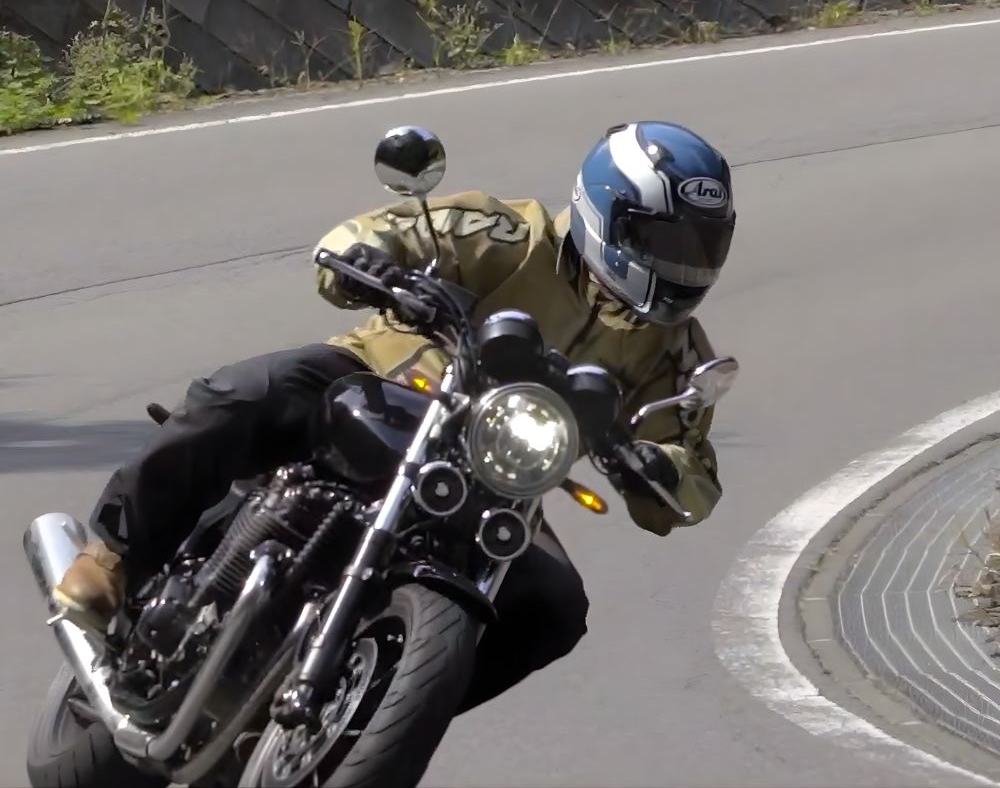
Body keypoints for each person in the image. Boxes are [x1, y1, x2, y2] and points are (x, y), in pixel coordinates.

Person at [52, 120, 736, 711]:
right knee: (244, 393)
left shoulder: (674, 354)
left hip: (499, 472)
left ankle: (369, 715)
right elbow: (375, 233)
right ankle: (113, 555)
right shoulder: (508, 234)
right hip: (380, 381)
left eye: (700, 248)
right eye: (667, 243)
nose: (682, 265)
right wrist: (371, 262)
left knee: (552, 609)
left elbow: (691, 469)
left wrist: (660, 470)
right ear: (605, 213)